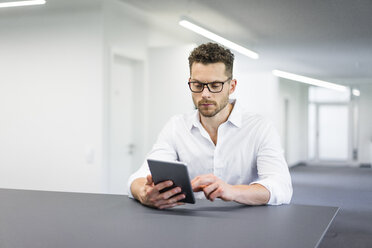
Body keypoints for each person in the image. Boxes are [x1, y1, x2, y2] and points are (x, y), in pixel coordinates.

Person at [127, 42, 292, 209]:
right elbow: (138, 178)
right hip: (190, 223)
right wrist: (144, 193)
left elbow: (281, 187)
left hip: (245, 224)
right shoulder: (176, 126)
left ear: (232, 86)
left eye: (215, 85)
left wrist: (233, 191)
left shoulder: (260, 128)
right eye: (198, 85)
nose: (205, 94)